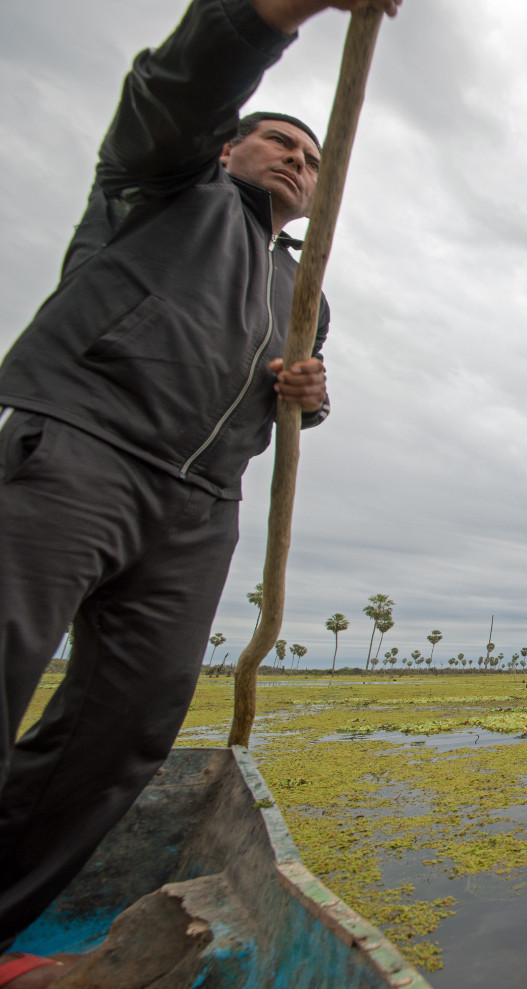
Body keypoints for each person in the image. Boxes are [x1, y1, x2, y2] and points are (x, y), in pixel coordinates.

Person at [0, 0, 400, 980]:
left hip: (198, 509)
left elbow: (274, 396)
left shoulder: (305, 292)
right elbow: (173, 90)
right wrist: (270, 13)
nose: (299, 159)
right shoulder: (163, 183)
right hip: (83, 444)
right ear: (227, 148)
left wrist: (304, 395)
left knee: (124, 730)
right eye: (278, 140)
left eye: (313, 158)